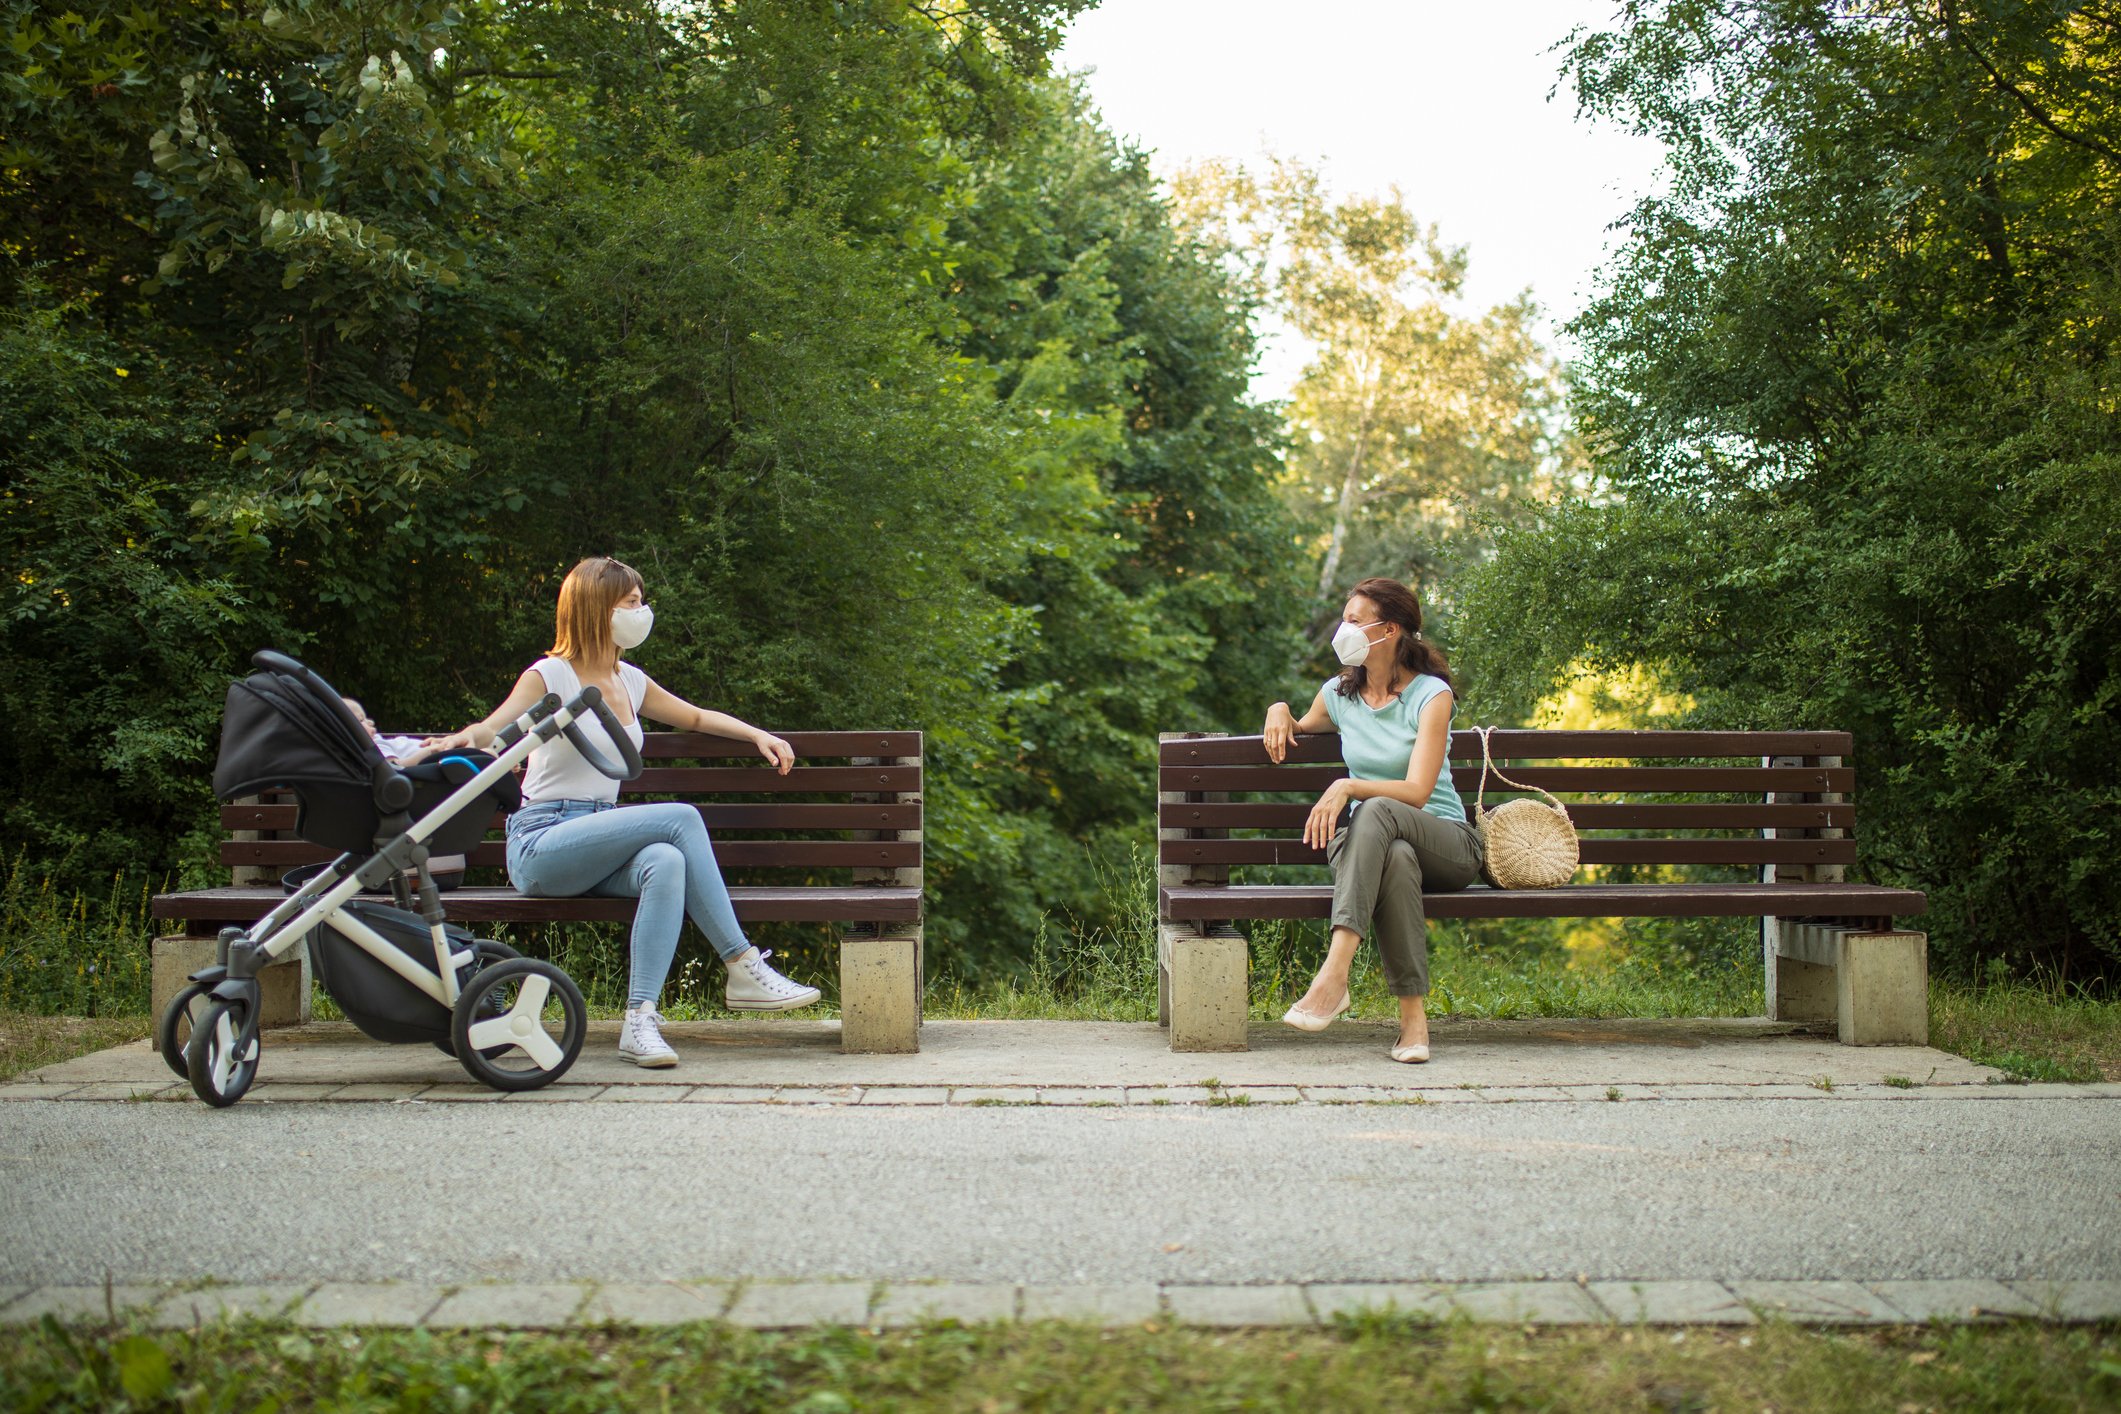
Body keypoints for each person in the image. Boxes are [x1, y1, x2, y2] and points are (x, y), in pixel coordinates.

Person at [422, 556, 821, 1067]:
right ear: (596, 610)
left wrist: (756, 734)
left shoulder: (629, 680)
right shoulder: (551, 675)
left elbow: (695, 716)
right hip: (543, 841)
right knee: (681, 819)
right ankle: (741, 962)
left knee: (667, 861)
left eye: (641, 601)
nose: (643, 612)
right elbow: (495, 728)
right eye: (632, 603)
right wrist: (457, 740)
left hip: (596, 843)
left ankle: (639, 1022)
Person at [1262, 577, 1481, 1063]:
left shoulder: (1431, 695)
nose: (1344, 629)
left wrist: (1348, 786)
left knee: (1381, 809)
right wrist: (1279, 709)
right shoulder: (1338, 695)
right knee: (1396, 857)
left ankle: (1334, 973)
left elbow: (1418, 792)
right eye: (1344, 619)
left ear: (1391, 630)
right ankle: (1413, 1025)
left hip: (1445, 841)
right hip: (1374, 846)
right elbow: (1297, 724)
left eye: (1355, 620)